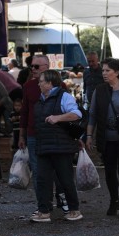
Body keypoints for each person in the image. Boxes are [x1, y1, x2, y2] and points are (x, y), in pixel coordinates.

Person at [18, 54, 69, 215]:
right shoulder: (28, 86)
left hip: (54, 133)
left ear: (47, 67)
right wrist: (21, 135)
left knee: (58, 170)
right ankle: (43, 204)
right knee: (38, 171)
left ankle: (62, 197)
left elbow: (68, 110)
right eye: (31, 66)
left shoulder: (60, 86)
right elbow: (24, 112)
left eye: (36, 66)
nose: (32, 69)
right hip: (34, 134)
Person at [31, 69, 84, 223]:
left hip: (61, 147)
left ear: (49, 83)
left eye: (41, 81)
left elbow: (77, 114)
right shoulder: (41, 99)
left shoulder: (64, 97)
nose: (39, 83)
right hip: (44, 146)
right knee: (42, 180)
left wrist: (58, 118)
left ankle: (74, 210)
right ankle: (44, 211)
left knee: (65, 180)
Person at [86, 58, 119, 218]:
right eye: (103, 70)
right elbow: (92, 114)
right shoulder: (100, 90)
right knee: (110, 172)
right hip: (106, 138)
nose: (104, 73)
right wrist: (89, 135)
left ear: (117, 72)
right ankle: (114, 200)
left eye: (107, 71)